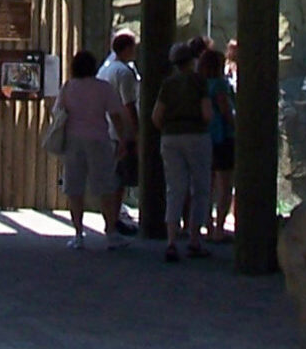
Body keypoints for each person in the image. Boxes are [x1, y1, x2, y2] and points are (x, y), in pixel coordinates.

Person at [52, 50, 124, 250]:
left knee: (74, 187)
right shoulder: (103, 88)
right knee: (105, 186)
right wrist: (124, 139)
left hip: (74, 140)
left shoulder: (68, 87)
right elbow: (116, 115)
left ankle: (78, 233)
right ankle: (110, 232)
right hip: (99, 139)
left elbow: (57, 112)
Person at [152, 41, 213, 262]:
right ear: (192, 61)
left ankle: (171, 240)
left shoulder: (167, 84)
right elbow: (207, 114)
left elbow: (156, 117)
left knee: (175, 189)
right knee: (200, 188)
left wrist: (169, 129)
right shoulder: (199, 81)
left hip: (170, 137)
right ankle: (194, 239)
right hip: (197, 135)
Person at [96, 31, 140, 238]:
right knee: (119, 179)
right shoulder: (124, 72)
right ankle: (112, 221)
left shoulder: (105, 70)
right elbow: (128, 105)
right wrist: (136, 133)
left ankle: (111, 219)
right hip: (120, 130)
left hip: (104, 128)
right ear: (127, 49)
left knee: (111, 177)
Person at [202, 46, 236, 243]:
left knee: (207, 183)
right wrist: (236, 127)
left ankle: (207, 224)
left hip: (204, 136)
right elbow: (225, 110)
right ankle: (219, 228)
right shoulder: (220, 85)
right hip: (222, 137)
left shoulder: (199, 84)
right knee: (225, 184)